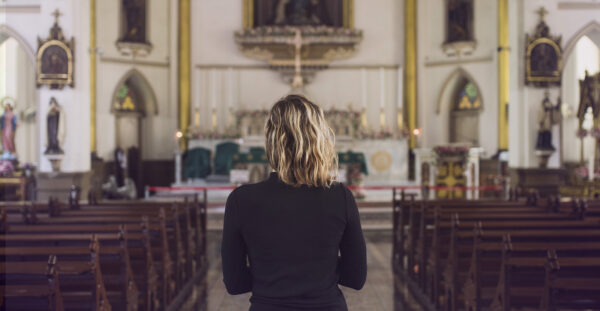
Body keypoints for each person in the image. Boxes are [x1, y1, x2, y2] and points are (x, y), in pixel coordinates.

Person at [221, 95, 367, 311]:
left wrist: (269, 274)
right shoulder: (340, 197)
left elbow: (234, 284)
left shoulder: (241, 200)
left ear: (270, 141)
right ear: (318, 139)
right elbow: (356, 278)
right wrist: (319, 271)